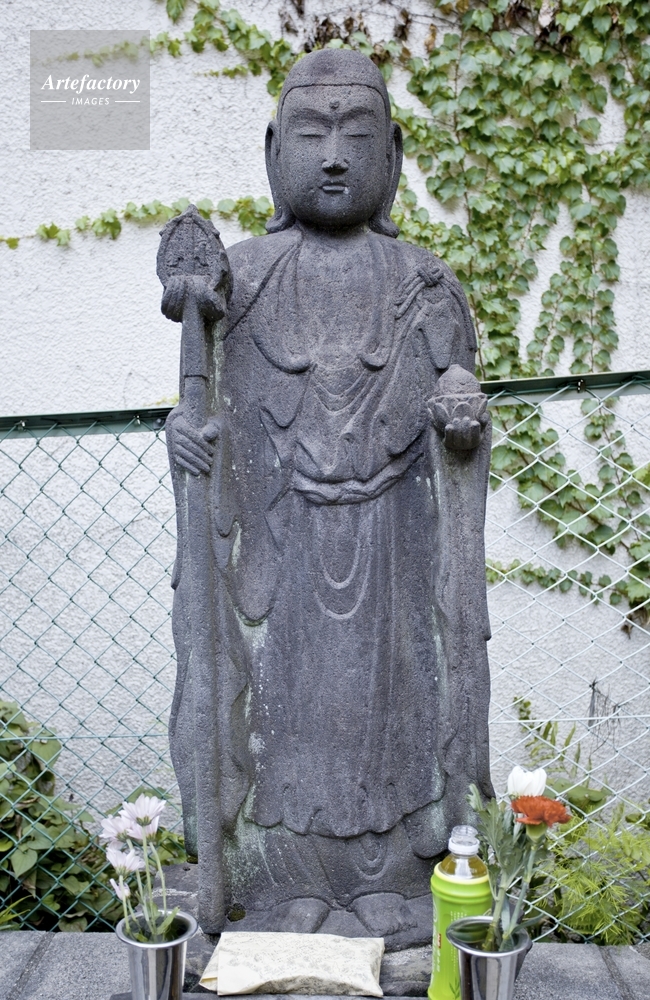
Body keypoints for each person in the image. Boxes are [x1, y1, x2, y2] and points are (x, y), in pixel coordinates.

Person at [165, 48, 493, 944]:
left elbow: (458, 387)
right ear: (275, 151)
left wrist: (462, 418)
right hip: (284, 552)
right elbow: (203, 410)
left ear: (394, 151)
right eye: (313, 134)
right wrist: (185, 440)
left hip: (394, 545)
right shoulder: (239, 280)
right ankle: (289, 884)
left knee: (401, 707)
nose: (336, 156)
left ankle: (392, 882)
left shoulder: (425, 279)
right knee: (284, 713)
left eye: (357, 133)